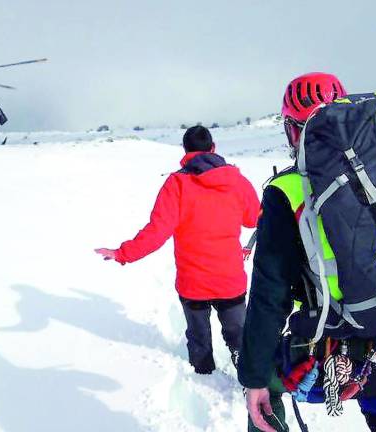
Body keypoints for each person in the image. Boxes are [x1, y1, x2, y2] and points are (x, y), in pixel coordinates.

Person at [238, 73, 376, 432]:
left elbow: (270, 296)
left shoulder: (288, 191)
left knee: (265, 385)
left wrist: (253, 376)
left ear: (293, 131)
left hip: (326, 352)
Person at [95, 125, 261, 374]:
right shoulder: (236, 181)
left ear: (185, 151)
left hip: (193, 283)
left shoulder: (177, 184)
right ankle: (249, 378)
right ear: (213, 148)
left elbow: (156, 232)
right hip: (230, 279)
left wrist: (122, 253)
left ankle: (204, 377)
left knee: (199, 339)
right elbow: (253, 219)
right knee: (240, 337)